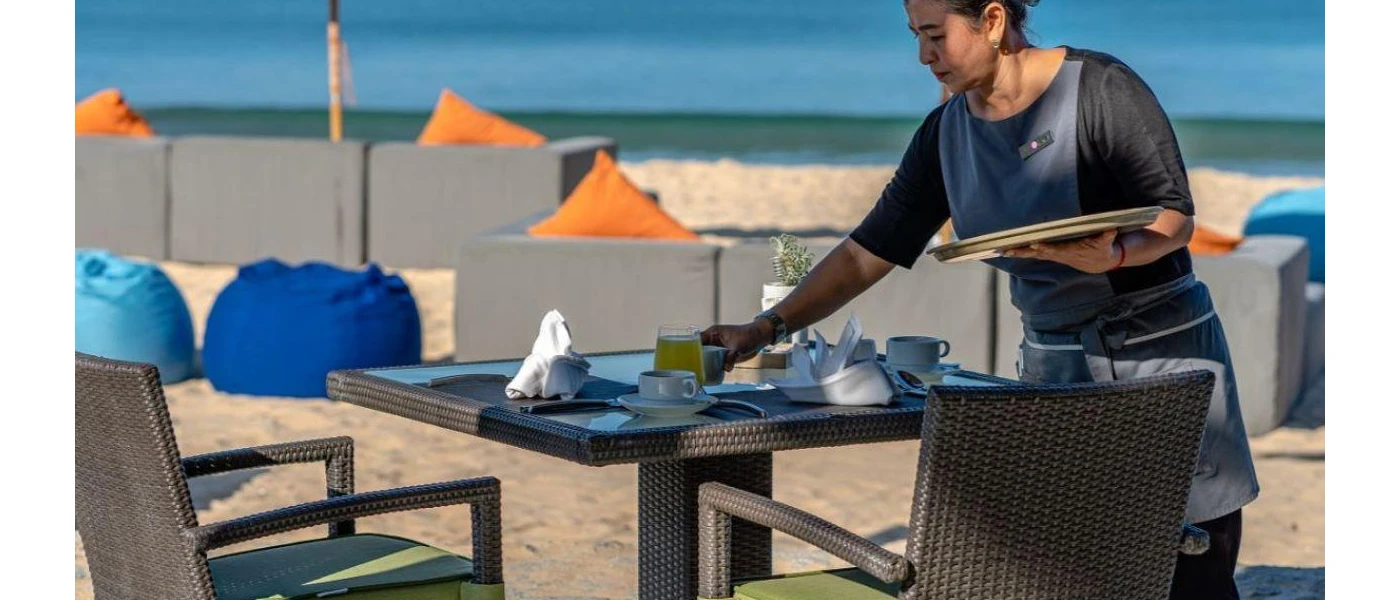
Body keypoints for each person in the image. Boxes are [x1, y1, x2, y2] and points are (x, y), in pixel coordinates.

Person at [700, 1, 1257, 597]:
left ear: (992, 21)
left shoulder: (1100, 88)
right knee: (1079, 568)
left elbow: (1174, 218)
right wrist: (766, 328)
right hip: (1053, 363)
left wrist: (1116, 255)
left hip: (1161, 356)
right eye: (916, 37)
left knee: (1192, 561)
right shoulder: (947, 131)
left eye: (936, 35)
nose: (923, 55)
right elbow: (870, 249)